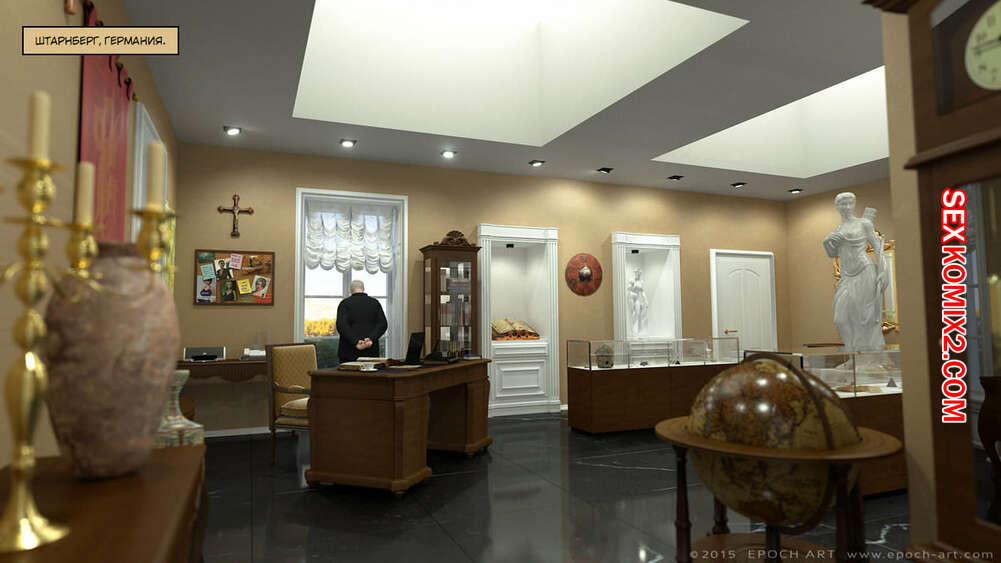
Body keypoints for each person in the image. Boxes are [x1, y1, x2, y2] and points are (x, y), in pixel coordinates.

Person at [822, 192, 887, 352]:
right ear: (837, 207)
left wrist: (883, 271)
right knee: (840, 318)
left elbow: (877, 247)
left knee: (864, 316)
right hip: (847, 276)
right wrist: (826, 242)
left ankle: (864, 355)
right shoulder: (838, 229)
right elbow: (832, 254)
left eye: (850, 203)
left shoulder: (864, 224)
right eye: (843, 204)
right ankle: (852, 353)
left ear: (854, 205)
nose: (847, 207)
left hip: (865, 270)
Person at [336, 280, 388, 364]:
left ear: (351, 290)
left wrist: (356, 341)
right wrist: (371, 339)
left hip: (348, 353)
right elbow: (383, 324)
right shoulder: (374, 303)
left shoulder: (344, 303)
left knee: (348, 373)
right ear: (363, 289)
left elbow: (342, 325)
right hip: (371, 352)